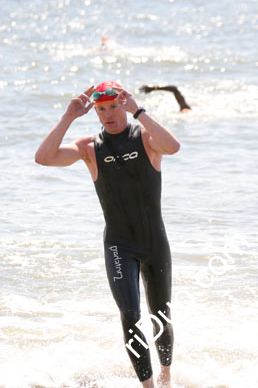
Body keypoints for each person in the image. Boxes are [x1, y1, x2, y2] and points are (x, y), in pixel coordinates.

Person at [35, 81, 180, 388]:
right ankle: (148, 385)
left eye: (114, 106)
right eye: (101, 109)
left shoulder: (146, 138)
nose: (108, 114)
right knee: (129, 313)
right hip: (119, 245)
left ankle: (167, 375)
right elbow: (44, 158)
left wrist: (138, 111)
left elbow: (173, 146)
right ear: (96, 112)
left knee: (161, 316)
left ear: (123, 104)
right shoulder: (89, 147)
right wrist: (68, 117)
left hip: (154, 242)